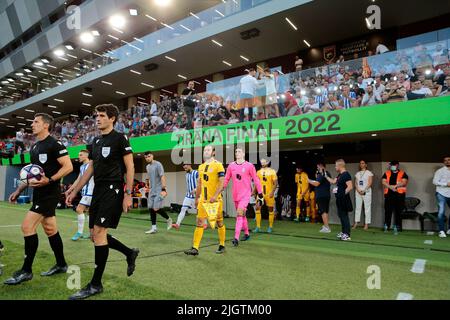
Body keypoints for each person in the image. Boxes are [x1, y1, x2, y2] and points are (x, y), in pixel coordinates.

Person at [66, 104, 139, 300]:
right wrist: (75, 189)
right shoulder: (95, 140)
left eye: (102, 115)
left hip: (113, 189)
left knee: (99, 233)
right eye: (96, 115)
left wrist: (128, 193)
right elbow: (90, 168)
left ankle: (95, 284)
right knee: (95, 236)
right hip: (97, 190)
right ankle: (129, 252)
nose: (97, 119)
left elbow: (130, 167)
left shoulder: (120, 138)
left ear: (112, 118)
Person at [5, 113, 73, 285]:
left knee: (27, 227)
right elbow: (31, 176)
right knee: (50, 229)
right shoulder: (35, 147)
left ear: (46, 126)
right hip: (39, 194)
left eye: (36, 122)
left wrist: (49, 180)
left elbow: (68, 166)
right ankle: (61, 264)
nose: (32, 124)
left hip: (50, 194)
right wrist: (19, 190)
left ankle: (26, 270)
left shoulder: (54, 144)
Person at [184, 145, 227, 256]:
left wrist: (215, 195)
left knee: (219, 222)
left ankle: (222, 245)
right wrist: (197, 198)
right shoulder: (201, 167)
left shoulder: (218, 165)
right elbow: (199, 184)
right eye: (205, 150)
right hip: (203, 200)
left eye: (208, 150)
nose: (206, 151)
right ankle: (195, 248)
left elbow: (222, 182)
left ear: (213, 152)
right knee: (199, 222)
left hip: (215, 200)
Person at [223, 147, 263, 246]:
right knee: (242, 215)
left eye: (239, 151)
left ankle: (236, 238)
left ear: (243, 154)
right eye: (236, 151)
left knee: (239, 214)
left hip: (245, 195)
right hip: (235, 194)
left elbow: (256, 180)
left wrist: (260, 194)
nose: (237, 153)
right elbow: (226, 179)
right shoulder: (231, 166)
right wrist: (221, 189)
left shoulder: (249, 166)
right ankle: (246, 233)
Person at [65, 149, 95, 241]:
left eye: (81, 155)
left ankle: (79, 232)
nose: (79, 157)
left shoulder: (92, 164)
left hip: (91, 192)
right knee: (90, 212)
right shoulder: (82, 167)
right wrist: (69, 190)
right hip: (85, 192)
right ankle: (91, 233)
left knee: (79, 209)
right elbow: (78, 180)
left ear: (86, 156)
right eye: (79, 155)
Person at [325, 159, 353, 241]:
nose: (335, 167)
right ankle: (343, 232)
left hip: (344, 199)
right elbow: (333, 181)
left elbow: (350, 186)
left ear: (340, 166)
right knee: (341, 215)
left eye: (336, 165)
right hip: (339, 199)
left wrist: (342, 194)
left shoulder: (346, 174)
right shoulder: (340, 175)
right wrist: (326, 176)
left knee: (344, 216)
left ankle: (347, 234)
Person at [144, 151, 172, 234]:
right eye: (145, 157)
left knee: (156, 208)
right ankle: (154, 228)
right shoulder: (147, 167)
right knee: (151, 208)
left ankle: (168, 219)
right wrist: (147, 187)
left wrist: (164, 189)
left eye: (148, 156)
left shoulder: (158, 164)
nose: (147, 158)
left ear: (152, 156)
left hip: (159, 189)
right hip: (152, 190)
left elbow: (162, 176)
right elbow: (149, 177)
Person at [382, 161, 408, 234]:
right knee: (388, 211)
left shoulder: (403, 173)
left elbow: (404, 182)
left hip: (399, 195)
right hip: (389, 195)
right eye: (391, 165)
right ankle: (386, 226)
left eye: (393, 165)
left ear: (397, 165)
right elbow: (383, 181)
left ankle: (398, 226)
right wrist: (390, 187)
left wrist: (395, 186)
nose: (391, 166)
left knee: (398, 212)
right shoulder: (387, 173)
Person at [172, 164, 199, 229]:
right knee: (183, 209)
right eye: (184, 168)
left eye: (186, 167)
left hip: (198, 196)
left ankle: (204, 224)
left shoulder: (196, 173)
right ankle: (177, 224)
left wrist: (195, 189)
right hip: (188, 196)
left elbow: (201, 183)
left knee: (200, 211)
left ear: (190, 165)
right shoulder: (186, 175)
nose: (185, 169)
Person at [255, 158, 278, 233]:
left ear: (267, 162)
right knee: (258, 208)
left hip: (269, 193)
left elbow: (275, 183)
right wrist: (254, 191)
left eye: (264, 162)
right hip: (261, 193)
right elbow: (257, 183)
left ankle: (270, 227)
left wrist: (272, 192)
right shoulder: (258, 172)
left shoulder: (272, 171)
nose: (263, 163)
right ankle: (258, 227)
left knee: (270, 209)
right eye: (262, 162)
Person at [308, 162, 332, 233]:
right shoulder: (327, 173)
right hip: (326, 195)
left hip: (322, 195)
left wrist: (308, 180)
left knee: (323, 211)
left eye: (318, 167)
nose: (317, 168)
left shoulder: (322, 174)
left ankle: (327, 227)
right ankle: (326, 226)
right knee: (325, 211)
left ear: (321, 166)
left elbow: (316, 183)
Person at [432, 156, 450, 238]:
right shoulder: (440, 171)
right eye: (445, 160)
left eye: (449, 160)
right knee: (441, 212)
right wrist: (446, 184)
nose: (447, 161)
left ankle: (449, 229)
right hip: (441, 193)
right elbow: (434, 182)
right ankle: (441, 231)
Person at [353, 160, 374, 230]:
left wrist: (364, 190)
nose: (361, 164)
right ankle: (356, 223)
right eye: (360, 163)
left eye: (363, 163)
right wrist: (358, 190)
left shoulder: (369, 173)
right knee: (358, 208)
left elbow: (370, 182)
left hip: (367, 192)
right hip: (358, 192)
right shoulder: (357, 173)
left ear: (366, 165)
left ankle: (366, 224)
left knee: (367, 208)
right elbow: (355, 183)